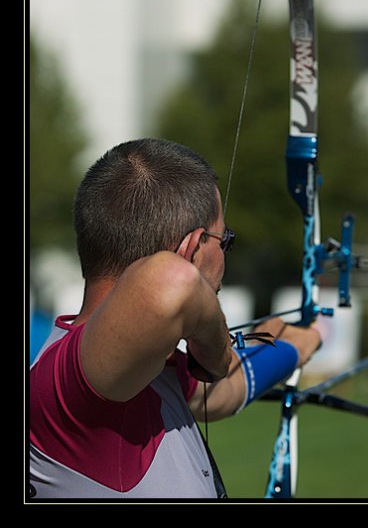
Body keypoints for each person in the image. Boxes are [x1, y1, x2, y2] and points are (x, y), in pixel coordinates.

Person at [30, 138, 323, 499]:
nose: (225, 252)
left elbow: (224, 391)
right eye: (224, 240)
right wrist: (218, 352)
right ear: (194, 248)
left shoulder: (149, 366)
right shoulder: (66, 383)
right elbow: (173, 281)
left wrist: (293, 345)